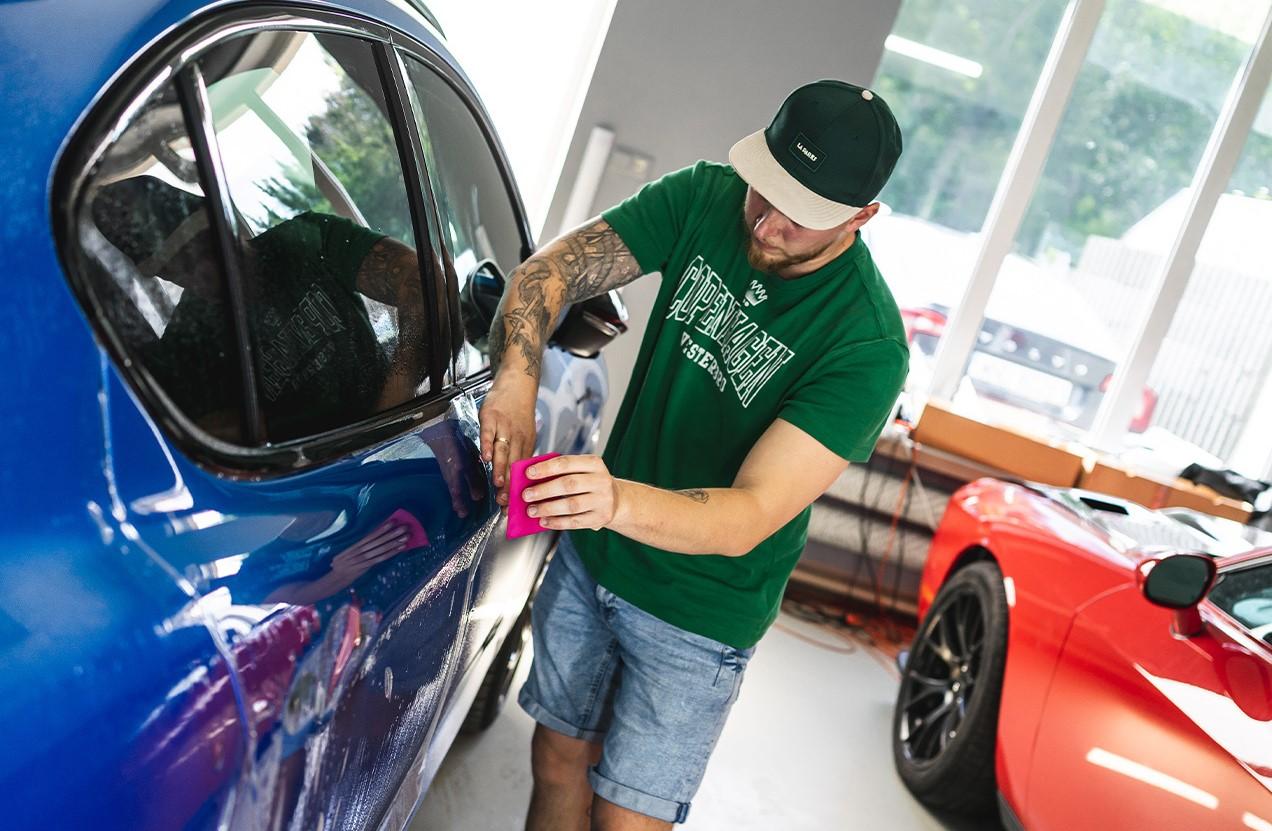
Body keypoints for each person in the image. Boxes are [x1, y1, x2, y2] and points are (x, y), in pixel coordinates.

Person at [479, 80, 909, 830]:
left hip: (701, 610)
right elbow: (549, 272)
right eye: (764, 191)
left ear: (861, 217)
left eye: (799, 215)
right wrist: (516, 380)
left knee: (627, 818)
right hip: (595, 560)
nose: (767, 224)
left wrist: (615, 499)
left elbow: (749, 515)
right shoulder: (706, 196)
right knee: (556, 758)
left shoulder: (866, 343)